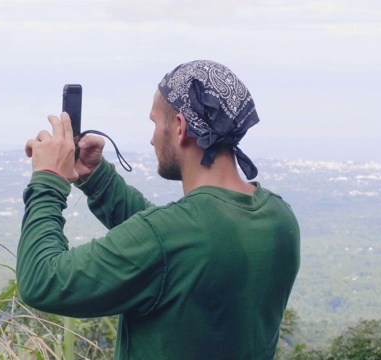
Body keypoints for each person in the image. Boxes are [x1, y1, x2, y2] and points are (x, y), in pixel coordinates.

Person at [18, 60, 300, 359]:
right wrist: (96, 177)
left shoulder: (170, 238)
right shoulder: (280, 218)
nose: (152, 138)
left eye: (155, 123)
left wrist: (49, 179)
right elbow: (174, 248)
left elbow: (42, 281)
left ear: (180, 127)